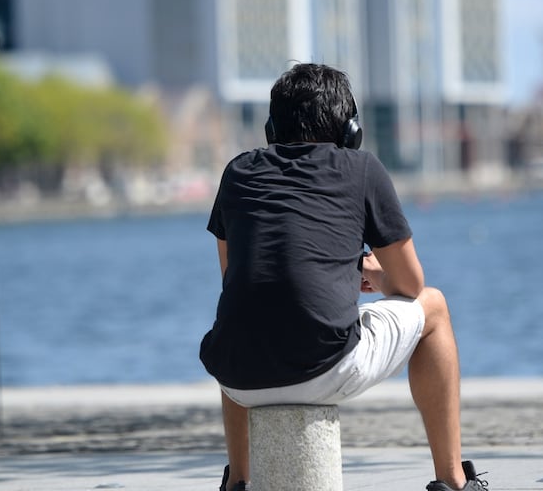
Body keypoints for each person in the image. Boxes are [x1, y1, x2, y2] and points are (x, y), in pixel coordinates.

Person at [200, 63, 488, 491]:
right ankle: (453, 483)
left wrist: (337, 270)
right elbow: (410, 284)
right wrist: (369, 273)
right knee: (436, 308)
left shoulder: (237, 172)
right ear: (351, 130)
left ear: (270, 129)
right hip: (325, 367)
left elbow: (239, 278)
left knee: (243, 322)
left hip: (236, 378)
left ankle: (238, 482)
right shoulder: (362, 168)